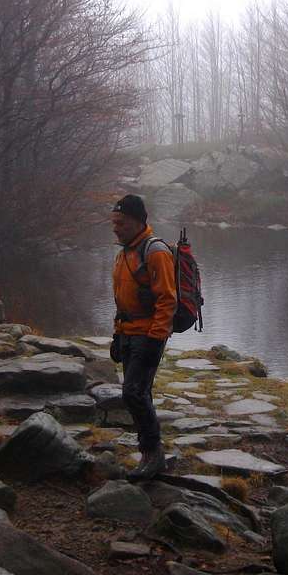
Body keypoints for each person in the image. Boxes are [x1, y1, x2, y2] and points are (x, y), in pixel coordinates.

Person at [109, 194, 176, 481]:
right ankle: (148, 452)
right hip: (128, 334)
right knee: (139, 393)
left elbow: (167, 300)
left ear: (137, 221)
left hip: (148, 335)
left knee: (133, 393)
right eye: (114, 222)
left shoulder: (155, 251)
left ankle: (153, 454)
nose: (115, 228)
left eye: (120, 223)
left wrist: (154, 339)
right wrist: (117, 334)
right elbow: (121, 299)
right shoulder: (125, 251)